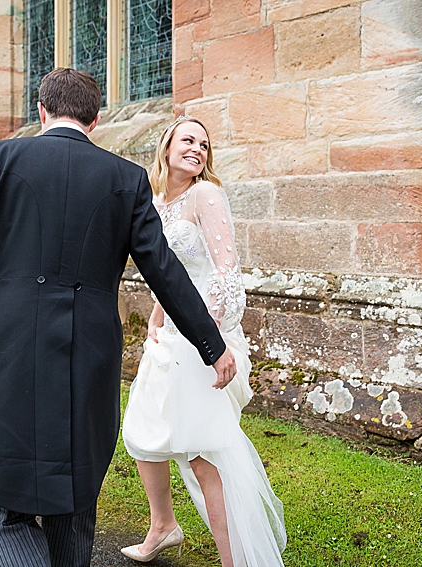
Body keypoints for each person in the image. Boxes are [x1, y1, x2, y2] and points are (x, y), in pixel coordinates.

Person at [0, 69, 237, 567]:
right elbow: (164, 270)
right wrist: (212, 343)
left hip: (12, 350)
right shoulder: (127, 178)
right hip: (89, 357)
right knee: (74, 503)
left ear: (42, 110)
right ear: (96, 119)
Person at [120, 117, 287, 567]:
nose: (197, 149)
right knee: (142, 433)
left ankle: (235, 560)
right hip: (170, 336)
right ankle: (163, 526)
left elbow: (226, 273)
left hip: (204, 337)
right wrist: (157, 317)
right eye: (188, 140)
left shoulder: (205, 195)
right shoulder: (155, 202)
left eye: (205, 144)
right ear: (167, 147)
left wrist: (206, 341)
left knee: (202, 455)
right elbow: (167, 273)